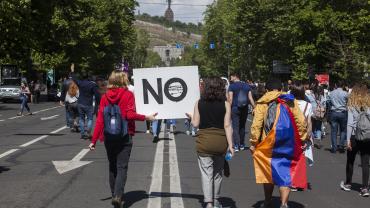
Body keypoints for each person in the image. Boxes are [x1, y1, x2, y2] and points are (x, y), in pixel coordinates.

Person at [88, 70, 156, 208]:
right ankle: (118, 196)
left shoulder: (105, 97)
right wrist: (146, 118)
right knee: (122, 166)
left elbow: (100, 120)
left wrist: (93, 141)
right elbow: (129, 115)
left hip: (108, 136)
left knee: (112, 166)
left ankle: (114, 194)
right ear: (123, 80)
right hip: (125, 136)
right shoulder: (128, 94)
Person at [250, 78, 308, 208]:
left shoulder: (262, 102)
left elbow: (256, 125)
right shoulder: (289, 100)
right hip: (288, 142)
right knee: (285, 170)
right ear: (281, 89)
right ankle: (284, 203)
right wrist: (303, 139)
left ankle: (267, 200)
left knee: (267, 170)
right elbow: (301, 122)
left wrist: (254, 142)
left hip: (267, 142)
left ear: (266, 89)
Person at [187, 77, 234, 208]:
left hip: (204, 142)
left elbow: (195, 124)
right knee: (218, 174)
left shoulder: (199, 103)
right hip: (220, 142)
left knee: (206, 174)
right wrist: (230, 145)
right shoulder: (226, 104)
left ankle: (208, 203)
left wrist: (191, 117)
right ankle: (217, 200)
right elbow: (227, 125)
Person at [340, 84, 370, 197]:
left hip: (354, 135)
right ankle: (365, 188)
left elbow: (350, 124)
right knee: (365, 162)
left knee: (350, 160)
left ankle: (348, 183)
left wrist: (347, 140)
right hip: (366, 135)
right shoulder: (368, 105)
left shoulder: (352, 105)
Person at [70, 64, 101, 140]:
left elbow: (74, 78)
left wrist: (72, 71)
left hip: (80, 103)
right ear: (88, 77)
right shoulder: (92, 85)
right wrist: (99, 103)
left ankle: (82, 133)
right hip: (88, 104)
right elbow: (97, 95)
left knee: (81, 119)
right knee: (90, 119)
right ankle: (88, 132)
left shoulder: (80, 83)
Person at [228, 73, 255, 152]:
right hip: (244, 108)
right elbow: (250, 98)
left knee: (235, 127)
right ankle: (242, 144)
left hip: (235, 108)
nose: (230, 78)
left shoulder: (232, 86)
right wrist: (255, 107)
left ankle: (236, 145)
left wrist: (228, 109)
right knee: (242, 126)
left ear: (235, 76)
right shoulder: (247, 85)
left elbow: (230, 99)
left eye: (231, 77)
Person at [328, 81, 348, 153]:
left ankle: (334, 148)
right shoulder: (345, 93)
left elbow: (329, 102)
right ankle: (341, 146)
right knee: (343, 130)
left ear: (336, 85)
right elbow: (348, 102)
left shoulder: (331, 93)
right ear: (343, 86)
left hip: (334, 112)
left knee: (334, 131)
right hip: (343, 112)